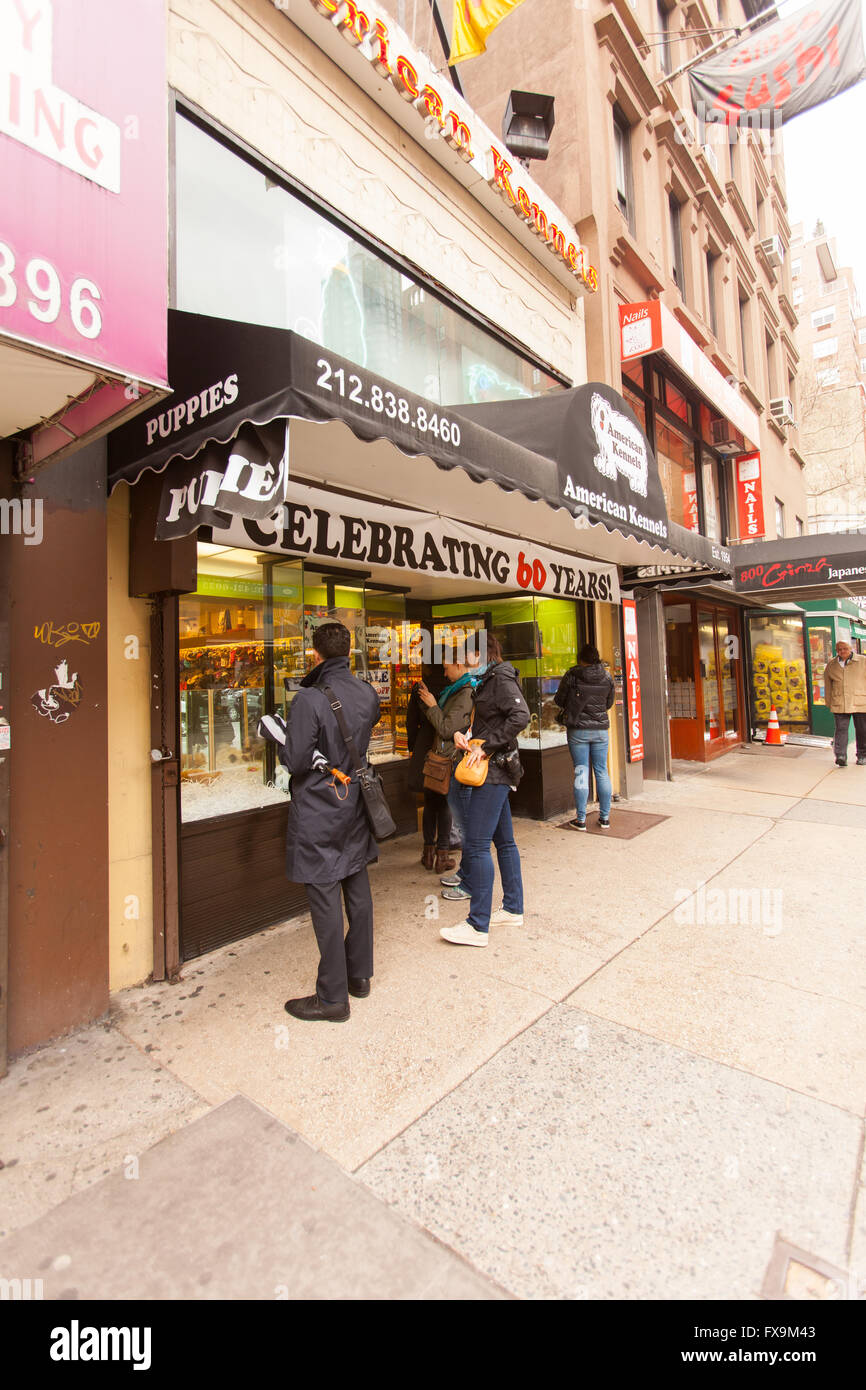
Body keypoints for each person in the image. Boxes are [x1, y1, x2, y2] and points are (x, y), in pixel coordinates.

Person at [279, 622, 381, 1021]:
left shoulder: (308, 699)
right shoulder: (367, 692)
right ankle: (360, 977)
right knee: (356, 884)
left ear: (315, 654)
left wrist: (284, 741)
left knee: (324, 895)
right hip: (355, 801)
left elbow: (296, 760)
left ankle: (333, 998)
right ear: (349, 650)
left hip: (321, 807)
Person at [440, 634, 529, 947]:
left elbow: (521, 716)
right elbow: (492, 721)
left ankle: (477, 925)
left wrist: (486, 747)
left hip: (492, 773)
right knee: (504, 842)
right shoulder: (488, 679)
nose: (464, 663)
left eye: (467, 657)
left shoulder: (501, 678)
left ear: (481, 654)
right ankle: (513, 909)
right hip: (494, 772)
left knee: (476, 846)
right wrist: (467, 735)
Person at [412, 654, 475, 879]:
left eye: (447, 668)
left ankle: (436, 855)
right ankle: (436, 855)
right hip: (439, 757)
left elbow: (447, 729)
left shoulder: (464, 692)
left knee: (438, 804)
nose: (445, 672)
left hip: (447, 758)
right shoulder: (453, 690)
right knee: (438, 804)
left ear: (458, 665)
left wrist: (431, 705)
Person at [555, 642, 615, 830]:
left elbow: (559, 699)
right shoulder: (606, 676)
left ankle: (581, 820)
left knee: (581, 771)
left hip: (578, 730)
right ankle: (605, 818)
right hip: (600, 730)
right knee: (602, 771)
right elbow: (609, 702)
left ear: (581, 659)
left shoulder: (573, 675)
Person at [825, 639, 866, 767]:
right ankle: (841, 755)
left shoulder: (862, 661)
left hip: (859, 701)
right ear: (836, 651)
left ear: (850, 649)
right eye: (839, 649)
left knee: (862, 730)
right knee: (841, 730)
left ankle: (862, 755)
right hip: (839, 701)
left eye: (845, 649)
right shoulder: (831, 664)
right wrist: (829, 702)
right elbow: (828, 685)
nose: (842, 651)